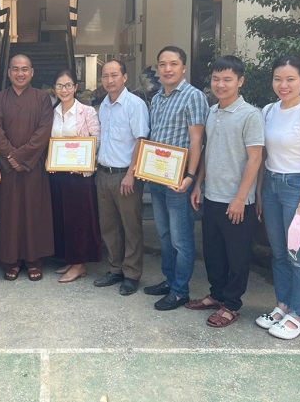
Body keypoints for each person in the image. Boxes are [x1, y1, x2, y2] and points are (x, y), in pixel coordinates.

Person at [189, 56, 264, 327]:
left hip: (237, 200)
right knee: (213, 252)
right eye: (216, 79)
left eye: (227, 79)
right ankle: (217, 294)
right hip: (212, 195)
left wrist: (241, 198)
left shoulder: (251, 115)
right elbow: (209, 151)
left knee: (237, 255)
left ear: (240, 81)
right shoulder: (212, 112)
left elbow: (255, 159)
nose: (220, 85)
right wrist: (198, 184)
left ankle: (232, 305)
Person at [255, 56, 300, 340]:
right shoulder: (269, 111)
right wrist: (260, 192)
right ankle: (283, 305)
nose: (283, 85)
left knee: (299, 256)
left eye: (290, 79)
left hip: (299, 188)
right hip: (272, 185)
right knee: (280, 252)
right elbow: (263, 156)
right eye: (278, 79)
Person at [144, 46, 209, 311]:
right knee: (164, 234)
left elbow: (197, 140)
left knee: (182, 239)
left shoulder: (193, 97)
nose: (167, 69)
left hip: (179, 178)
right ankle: (170, 281)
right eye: (162, 64)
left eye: (173, 64)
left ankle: (181, 291)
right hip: (156, 176)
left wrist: (191, 176)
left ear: (183, 67)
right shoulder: (157, 98)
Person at [0, 54, 54, 281]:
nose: (20, 73)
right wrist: (10, 157)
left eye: (25, 69)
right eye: (15, 69)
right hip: (8, 169)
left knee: (34, 212)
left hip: (33, 166)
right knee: (10, 214)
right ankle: (11, 260)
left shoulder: (42, 98)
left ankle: (35, 260)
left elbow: (44, 131)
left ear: (32, 72)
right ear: (8, 73)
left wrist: (22, 156)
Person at [93, 59, 149, 296]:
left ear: (124, 77)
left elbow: (141, 139)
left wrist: (131, 174)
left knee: (131, 227)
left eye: (114, 75)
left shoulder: (135, 105)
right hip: (104, 174)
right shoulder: (103, 105)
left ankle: (132, 273)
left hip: (126, 177)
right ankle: (115, 268)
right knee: (109, 227)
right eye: (105, 76)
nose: (109, 80)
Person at [49, 69, 102, 283]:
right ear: (55, 89)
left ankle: (79, 264)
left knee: (79, 219)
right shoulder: (52, 112)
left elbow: (96, 140)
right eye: (60, 86)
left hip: (79, 174)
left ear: (76, 87)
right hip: (58, 174)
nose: (64, 89)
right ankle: (71, 259)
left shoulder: (87, 112)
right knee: (63, 218)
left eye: (68, 85)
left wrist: (84, 161)